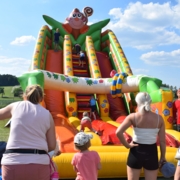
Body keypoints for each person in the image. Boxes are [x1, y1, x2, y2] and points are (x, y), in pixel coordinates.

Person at [0, 84, 56, 180]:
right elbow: (52, 146)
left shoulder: (15, 106)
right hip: (39, 162)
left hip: (12, 162)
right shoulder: (47, 115)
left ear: (24, 96)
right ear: (42, 98)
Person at [116, 92, 166, 180]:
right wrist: (162, 157)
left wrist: (127, 145)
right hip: (151, 152)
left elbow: (118, 132)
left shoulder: (133, 116)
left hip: (136, 151)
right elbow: (162, 141)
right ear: (150, 102)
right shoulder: (159, 119)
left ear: (137, 102)